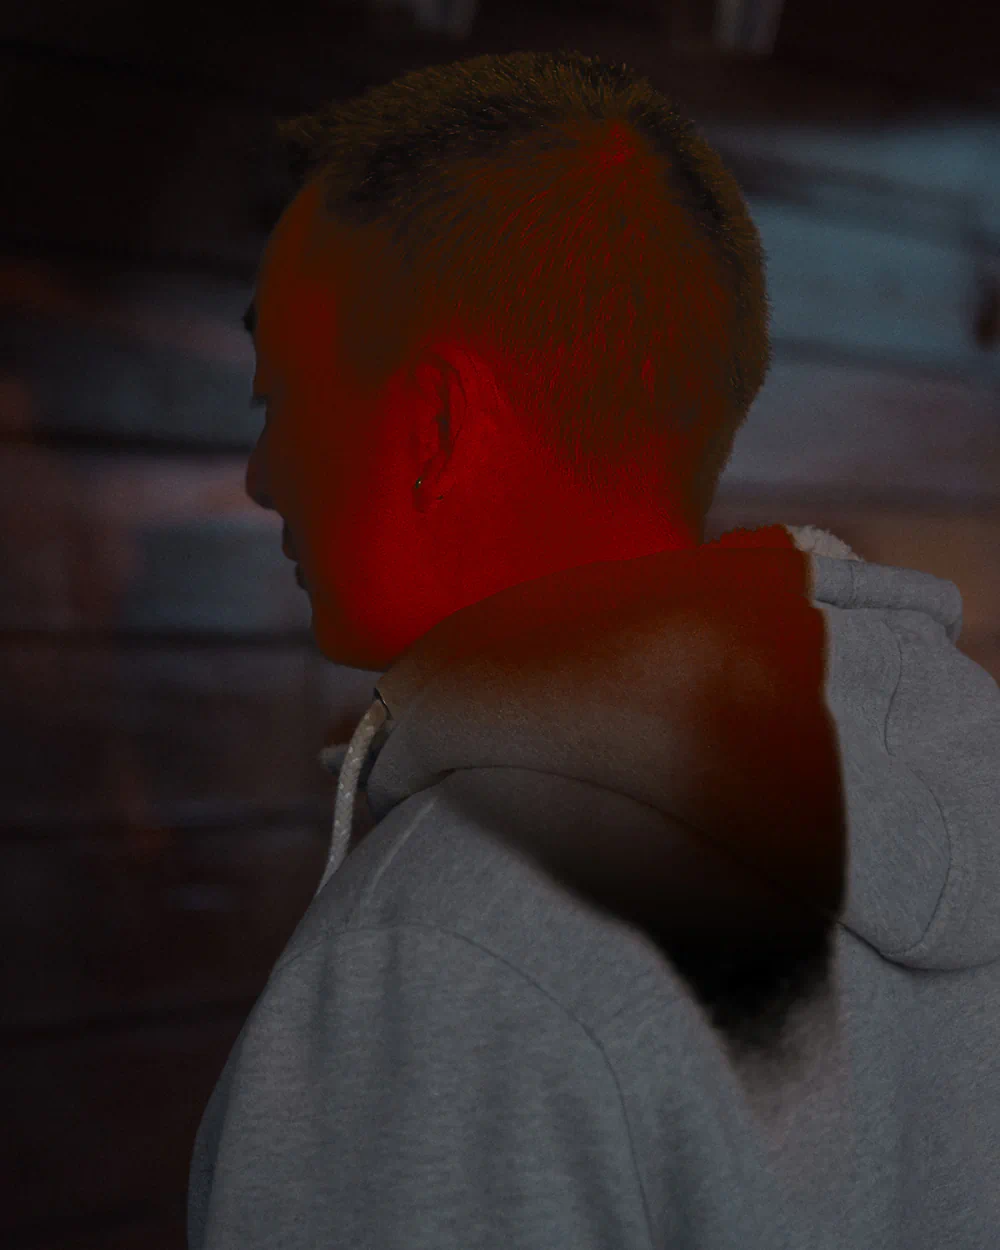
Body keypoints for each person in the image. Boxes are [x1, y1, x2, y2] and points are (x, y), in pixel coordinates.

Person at [188, 49, 1000, 1249]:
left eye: (283, 400)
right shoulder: (962, 791)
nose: (262, 477)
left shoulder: (443, 959)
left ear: (431, 423)